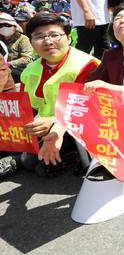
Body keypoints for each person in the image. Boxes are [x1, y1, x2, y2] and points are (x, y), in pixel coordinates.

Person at [39, 3, 124, 177]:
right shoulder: (110, 56)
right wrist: (58, 127)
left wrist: (113, 90)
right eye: (117, 18)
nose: (121, 21)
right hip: (114, 126)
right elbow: (84, 91)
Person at [0, 12, 98, 179]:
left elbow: (87, 109)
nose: (48, 41)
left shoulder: (87, 65)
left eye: (54, 35)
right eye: (39, 37)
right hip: (44, 125)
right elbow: (27, 110)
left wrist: (53, 123)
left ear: (68, 38)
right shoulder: (30, 70)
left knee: (30, 160)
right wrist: (26, 127)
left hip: (78, 127)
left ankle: (70, 157)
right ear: (31, 42)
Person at [0, 13, 33, 83]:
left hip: (18, 68)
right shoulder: (0, 39)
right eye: (1, 25)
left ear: (15, 27)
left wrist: (9, 64)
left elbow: (26, 58)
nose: (4, 28)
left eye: (7, 25)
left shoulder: (22, 39)